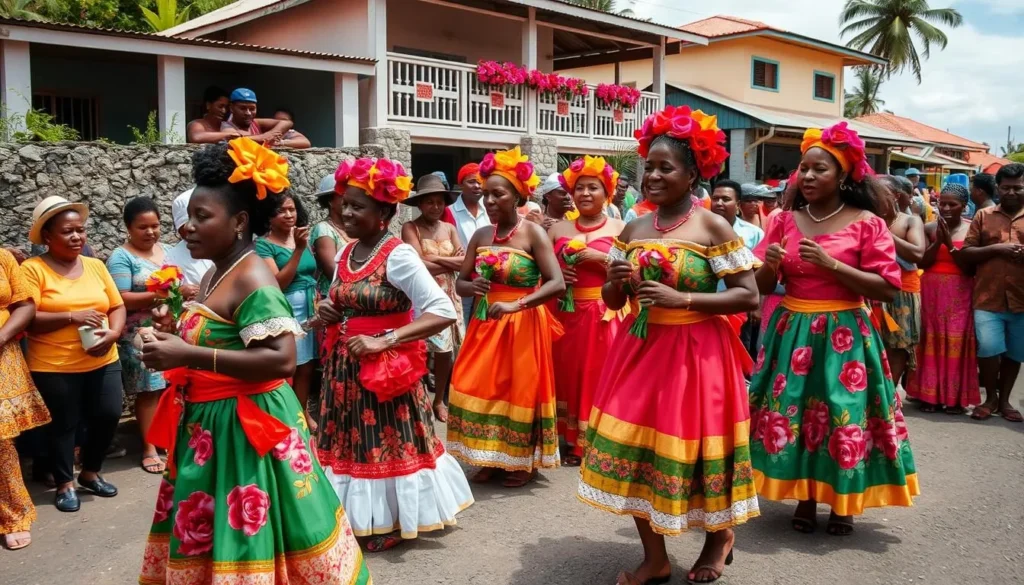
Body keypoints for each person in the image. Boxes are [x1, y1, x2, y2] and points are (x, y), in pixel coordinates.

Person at [137, 138, 370, 584]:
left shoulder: (253, 276)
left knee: (259, 533)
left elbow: (281, 359)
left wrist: (186, 352)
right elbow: (223, 340)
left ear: (240, 221)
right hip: (211, 428)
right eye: (189, 218)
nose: (188, 228)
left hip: (247, 433)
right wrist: (172, 334)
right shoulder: (213, 272)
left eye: (202, 217)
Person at [579, 106, 757, 585]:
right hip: (641, 349)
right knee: (635, 446)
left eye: (666, 167)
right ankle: (654, 556)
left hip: (699, 353)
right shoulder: (633, 229)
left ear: (693, 172)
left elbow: (749, 294)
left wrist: (686, 297)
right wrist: (616, 281)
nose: (653, 176)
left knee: (701, 448)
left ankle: (718, 538)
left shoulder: (712, 227)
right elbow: (613, 299)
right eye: (648, 167)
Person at [750, 122, 918, 537]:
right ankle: (806, 497)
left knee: (843, 412)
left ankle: (844, 503)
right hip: (792, 330)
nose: (806, 176)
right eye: (803, 169)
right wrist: (770, 265)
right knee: (800, 411)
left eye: (818, 169)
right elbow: (761, 286)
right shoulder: (783, 220)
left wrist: (834, 266)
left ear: (843, 175)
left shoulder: (867, 223)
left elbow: (888, 285)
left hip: (846, 332)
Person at [314, 156, 472, 553]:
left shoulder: (398, 255)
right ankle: (356, 515)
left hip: (385, 370)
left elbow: (440, 310)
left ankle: (396, 519)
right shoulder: (347, 253)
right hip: (344, 367)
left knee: (387, 441)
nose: (346, 212)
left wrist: (385, 340)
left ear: (384, 212)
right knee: (352, 443)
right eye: (344, 204)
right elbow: (340, 300)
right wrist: (327, 310)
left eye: (357, 206)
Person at [447, 147, 566, 488]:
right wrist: (474, 285)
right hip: (486, 322)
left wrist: (519, 304)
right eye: (485, 195)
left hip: (524, 322)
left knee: (518, 390)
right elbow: (460, 283)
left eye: (497, 194)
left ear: (517, 196)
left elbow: (556, 283)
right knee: (478, 384)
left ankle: (521, 461)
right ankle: (489, 456)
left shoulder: (533, 234)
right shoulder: (481, 236)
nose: (489, 201)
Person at [21, 196, 126, 512]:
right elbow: (28, 318)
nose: (77, 237)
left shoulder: (94, 266)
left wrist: (115, 333)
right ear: (48, 237)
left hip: (103, 357)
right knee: (63, 425)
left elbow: (117, 305)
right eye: (68, 231)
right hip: (54, 364)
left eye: (80, 230)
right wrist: (72, 316)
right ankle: (65, 483)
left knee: (108, 415)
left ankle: (91, 473)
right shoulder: (33, 269)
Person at [548, 156, 625, 466]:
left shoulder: (622, 227)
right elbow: (540, 268)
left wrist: (601, 258)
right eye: (579, 188)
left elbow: (632, 271)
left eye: (593, 187)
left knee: (597, 374)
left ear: (607, 192)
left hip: (603, 311)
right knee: (565, 374)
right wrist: (556, 274)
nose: (585, 194)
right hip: (563, 311)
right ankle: (565, 438)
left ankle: (594, 439)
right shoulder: (557, 228)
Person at [106, 197, 180, 475]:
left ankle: (170, 441)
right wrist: (162, 294)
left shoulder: (169, 251)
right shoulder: (121, 257)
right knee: (149, 391)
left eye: (156, 226)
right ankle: (149, 448)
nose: (151, 232)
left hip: (170, 329)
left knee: (170, 388)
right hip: (138, 335)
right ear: (128, 228)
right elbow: (121, 298)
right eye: (143, 227)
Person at [907, 183, 979, 414]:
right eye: (942, 203)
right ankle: (929, 396)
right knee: (930, 341)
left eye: (952, 204)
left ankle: (955, 398)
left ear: (964, 206)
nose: (946, 208)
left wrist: (950, 244)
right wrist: (938, 241)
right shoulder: (928, 228)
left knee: (955, 343)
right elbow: (922, 262)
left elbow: (969, 268)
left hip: (960, 292)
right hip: (931, 292)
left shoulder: (972, 230)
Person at [961, 162, 1024, 423]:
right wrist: (998, 249)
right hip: (988, 297)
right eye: (1006, 188)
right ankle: (990, 399)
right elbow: (967, 253)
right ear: (997, 188)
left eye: (1018, 188)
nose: (1011, 193)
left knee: (1016, 353)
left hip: (1021, 300)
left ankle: (1006, 400)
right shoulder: (983, 216)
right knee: (988, 348)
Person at [401, 173, 465, 422]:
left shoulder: (449, 228)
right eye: (430, 202)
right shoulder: (411, 227)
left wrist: (435, 260)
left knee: (446, 351)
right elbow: (418, 266)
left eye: (440, 202)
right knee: (419, 347)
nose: (436, 207)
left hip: (449, 294)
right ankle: (418, 399)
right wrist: (449, 263)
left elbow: (463, 262)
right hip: (423, 293)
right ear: (420, 204)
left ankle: (439, 400)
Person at [254, 192, 319, 429]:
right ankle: (287, 415)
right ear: (269, 217)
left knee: (308, 365)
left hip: (311, 308)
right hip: (287, 309)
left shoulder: (299, 236)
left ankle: (303, 412)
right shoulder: (263, 245)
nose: (289, 215)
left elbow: (311, 272)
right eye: (281, 211)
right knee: (291, 364)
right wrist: (299, 250)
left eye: (292, 209)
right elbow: (278, 283)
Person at [0, 249, 50, 550]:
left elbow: (26, 305)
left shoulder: (3, 258)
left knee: (1, 440)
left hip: (1, 353)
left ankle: (13, 515)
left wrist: (1, 336)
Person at [874, 175, 926, 387]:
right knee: (874, 342)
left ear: (895, 196)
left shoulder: (910, 221)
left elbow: (917, 253)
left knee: (899, 345)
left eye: (879, 194)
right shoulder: (865, 218)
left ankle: (891, 392)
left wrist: (882, 232)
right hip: (873, 288)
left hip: (903, 289)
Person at [711, 179, 765, 354]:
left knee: (740, 353)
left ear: (738, 204)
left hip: (740, 308)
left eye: (726, 199)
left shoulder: (753, 233)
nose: (719, 203)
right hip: (707, 304)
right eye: (716, 198)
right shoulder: (699, 230)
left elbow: (760, 272)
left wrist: (757, 306)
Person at [449, 162, 490, 322]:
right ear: (461, 184)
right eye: (471, 181)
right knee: (463, 319)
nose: (477, 186)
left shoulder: (489, 210)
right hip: (462, 277)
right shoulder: (451, 211)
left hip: (487, 277)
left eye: (480, 182)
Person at [164, 188, 213, 288]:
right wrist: (182, 292)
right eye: (184, 229)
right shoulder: (173, 257)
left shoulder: (223, 245)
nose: (190, 232)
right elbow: (170, 293)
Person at [311, 174, 350, 299]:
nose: (348, 200)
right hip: (333, 299)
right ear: (330, 201)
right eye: (342, 196)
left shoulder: (353, 228)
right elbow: (333, 272)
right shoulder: (324, 230)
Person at [222, 88, 292, 145]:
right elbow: (236, 140)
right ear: (231, 108)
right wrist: (264, 137)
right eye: (242, 108)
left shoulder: (256, 122)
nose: (248, 113)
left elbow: (287, 123)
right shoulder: (226, 126)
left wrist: (272, 134)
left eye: (252, 109)